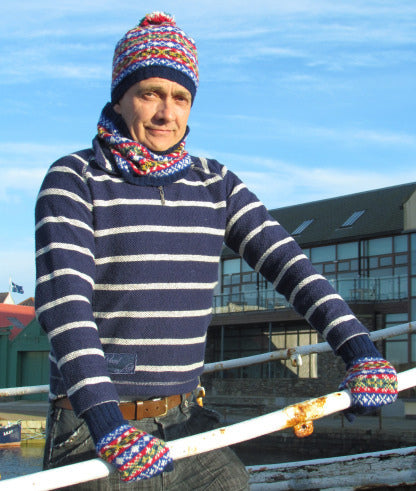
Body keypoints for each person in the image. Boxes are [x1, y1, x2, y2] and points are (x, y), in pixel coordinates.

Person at [35, 11, 398, 490]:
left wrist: (360, 351)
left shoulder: (215, 183)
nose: (167, 113)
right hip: (93, 428)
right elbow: (66, 308)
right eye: (150, 94)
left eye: (180, 98)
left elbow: (292, 267)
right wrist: (106, 421)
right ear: (119, 98)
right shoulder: (74, 179)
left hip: (186, 421)